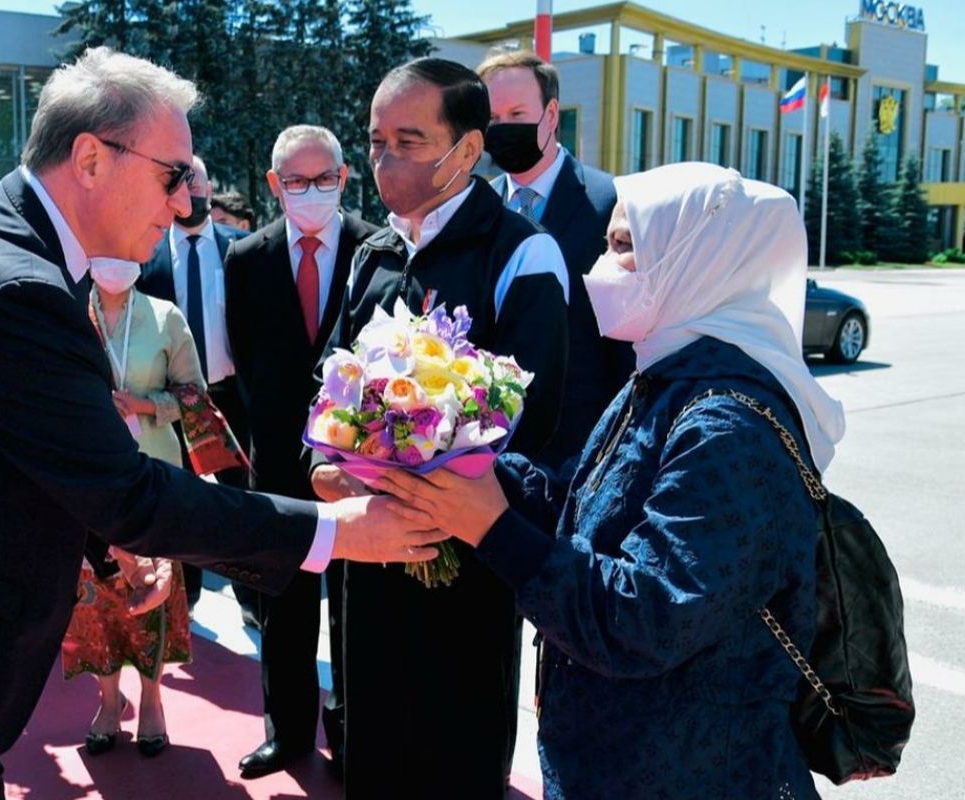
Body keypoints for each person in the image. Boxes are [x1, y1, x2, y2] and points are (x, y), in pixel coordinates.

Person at [0, 47, 442, 800]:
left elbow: (33, 444)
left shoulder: (9, 243)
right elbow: (123, 488)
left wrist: (111, 547)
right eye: (174, 177)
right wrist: (339, 532)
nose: (186, 205)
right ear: (92, 159)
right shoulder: (9, 283)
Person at [376, 162, 848, 800]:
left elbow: (647, 619)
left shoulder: (724, 424)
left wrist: (490, 526)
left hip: (694, 774)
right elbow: (586, 506)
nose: (599, 265)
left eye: (623, 247)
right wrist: (468, 465)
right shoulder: (665, 377)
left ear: (700, 261)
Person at [310, 58, 569, 800]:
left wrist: (430, 485)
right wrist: (323, 465)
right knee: (375, 751)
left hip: (462, 570)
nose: (385, 159)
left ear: (465, 149)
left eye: (409, 140)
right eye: (376, 140)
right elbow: (327, 383)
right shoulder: (373, 254)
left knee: (455, 754)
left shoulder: (521, 251)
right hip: (368, 558)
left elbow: (533, 411)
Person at [226, 124, 378, 779]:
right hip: (280, 462)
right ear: (273, 184)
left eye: (324, 180)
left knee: (353, 600)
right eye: (296, 181)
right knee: (282, 597)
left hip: (357, 461)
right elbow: (245, 355)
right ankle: (287, 732)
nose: (311, 192)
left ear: (345, 178)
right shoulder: (248, 256)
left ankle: (350, 734)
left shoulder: (379, 248)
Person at [61, 256, 208, 758]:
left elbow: (194, 396)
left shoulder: (165, 316)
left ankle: (151, 698)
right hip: (86, 473)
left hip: (153, 471)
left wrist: (143, 404)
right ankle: (107, 699)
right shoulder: (70, 314)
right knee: (94, 594)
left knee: (154, 588)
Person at [478, 50, 633, 468]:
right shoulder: (478, 208)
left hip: (582, 450)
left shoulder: (609, 202)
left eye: (517, 113)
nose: (504, 128)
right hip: (487, 452)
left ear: (550, 115)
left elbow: (627, 339)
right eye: (493, 118)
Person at [136, 154, 250, 609]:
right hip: (175, 396)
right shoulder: (148, 254)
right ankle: (189, 595)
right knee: (181, 498)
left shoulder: (242, 248)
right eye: (184, 186)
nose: (194, 195)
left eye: (199, 185)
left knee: (242, 498)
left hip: (233, 396)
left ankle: (249, 596)